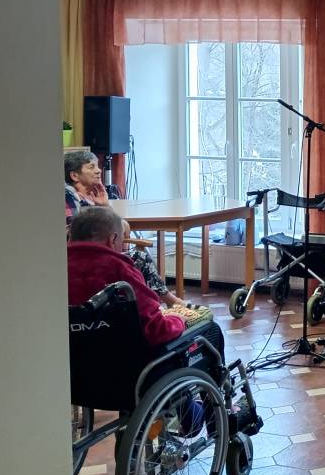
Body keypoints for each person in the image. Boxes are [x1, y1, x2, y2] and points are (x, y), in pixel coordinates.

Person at [68, 207, 222, 352]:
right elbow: (156, 330)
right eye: (123, 240)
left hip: (72, 361)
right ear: (113, 239)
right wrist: (177, 319)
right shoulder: (121, 271)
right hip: (127, 359)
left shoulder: (57, 270)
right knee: (211, 328)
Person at [64, 150, 189, 309]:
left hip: (102, 255)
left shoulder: (92, 198)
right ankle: (162, 304)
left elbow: (124, 228)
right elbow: (73, 232)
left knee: (138, 258)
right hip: (84, 258)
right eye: (91, 167)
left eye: (97, 166)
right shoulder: (68, 197)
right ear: (74, 175)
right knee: (139, 258)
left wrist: (105, 205)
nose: (98, 170)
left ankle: (157, 304)